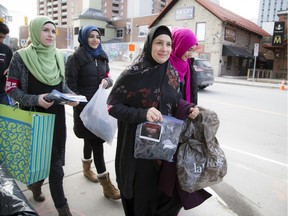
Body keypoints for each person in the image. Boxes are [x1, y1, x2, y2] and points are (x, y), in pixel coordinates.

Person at [107, 25, 211, 216]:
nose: (164, 48)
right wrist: (142, 114)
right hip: (137, 154)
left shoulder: (171, 72)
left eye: (168, 44)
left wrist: (188, 108)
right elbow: (112, 106)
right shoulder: (133, 73)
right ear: (149, 44)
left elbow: (173, 99)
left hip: (163, 150)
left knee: (165, 197)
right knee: (141, 200)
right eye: (159, 43)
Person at [5, 16, 78, 216]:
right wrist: (34, 99)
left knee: (52, 161)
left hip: (57, 118)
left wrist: (71, 97)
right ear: (35, 31)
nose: (50, 35)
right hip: (34, 118)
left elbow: (62, 87)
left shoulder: (59, 56)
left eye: (53, 31)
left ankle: (36, 186)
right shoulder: (20, 57)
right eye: (45, 30)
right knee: (53, 166)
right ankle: (63, 209)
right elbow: (11, 89)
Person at [65, 25, 120, 200]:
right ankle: (106, 185)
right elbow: (70, 85)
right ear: (83, 38)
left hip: (99, 107)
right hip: (84, 109)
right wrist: (80, 103)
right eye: (91, 36)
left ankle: (86, 168)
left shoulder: (103, 57)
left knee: (92, 139)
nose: (95, 39)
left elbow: (109, 77)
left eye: (97, 36)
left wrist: (107, 81)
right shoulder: (75, 58)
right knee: (96, 143)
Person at [169, 27, 199, 105]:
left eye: (193, 50)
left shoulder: (189, 65)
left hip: (184, 112)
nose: (191, 54)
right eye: (189, 50)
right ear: (179, 45)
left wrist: (191, 108)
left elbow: (193, 93)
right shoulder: (164, 64)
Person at [0, 21, 13, 105]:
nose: (1, 40)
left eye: (3, 38)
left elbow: (12, 66)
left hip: (2, 91)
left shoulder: (6, 49)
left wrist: (9, 69)